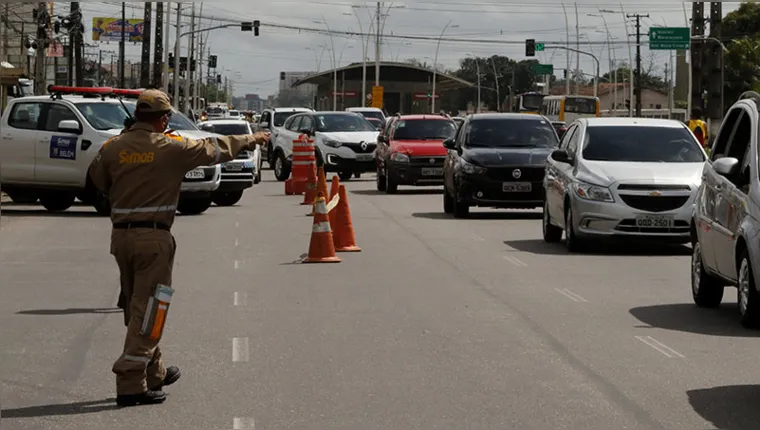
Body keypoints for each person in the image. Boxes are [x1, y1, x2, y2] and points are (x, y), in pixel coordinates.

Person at [88, 89, 270, 407]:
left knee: (136, 305)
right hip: (154, 238)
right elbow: (214, 148)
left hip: (121, 239)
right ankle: (130, 379)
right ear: (163, 118)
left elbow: (97, 181)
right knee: (152, 307)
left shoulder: (113, 147)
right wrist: (253, 139)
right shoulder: (170, 147)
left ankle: (153, 370)